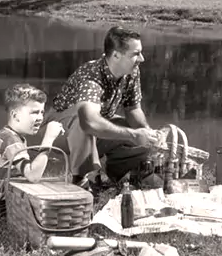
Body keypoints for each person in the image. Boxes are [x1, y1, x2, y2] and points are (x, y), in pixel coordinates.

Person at [46, 27, 160, 190]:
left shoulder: (131, 72)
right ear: (115, 55)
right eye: (135, 54)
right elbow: (89, 122)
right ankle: (80, 180)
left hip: (92, 127)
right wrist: (134, 135)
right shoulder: (91, 76)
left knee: (137, 133)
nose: (141, 58)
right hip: (59, 133)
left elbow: (133, 110)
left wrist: (148, 134)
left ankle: (115, 174)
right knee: (84, 122)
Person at [0, 83, 66, 219]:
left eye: (42, 112)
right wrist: (48, 139)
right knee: (54, 213)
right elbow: (33, 176)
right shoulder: (10, 140)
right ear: (15, 115)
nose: (40, 118)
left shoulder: (9, 135)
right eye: (34, 112)